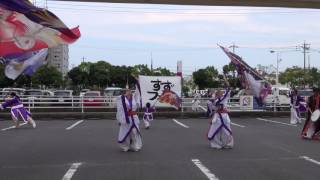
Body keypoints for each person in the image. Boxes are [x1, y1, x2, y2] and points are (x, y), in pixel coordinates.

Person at [207, 76, 234, 149]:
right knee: (215, 129)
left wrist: (226, 80)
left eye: (221, 92)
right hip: (218, 116)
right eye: (218, 92)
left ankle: (228, 144)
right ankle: (217, 144)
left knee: (226, 129)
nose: (221, 93)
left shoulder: (224, 98)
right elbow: (214, 108)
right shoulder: (216, 100)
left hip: (224, 116)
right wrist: (212, 117)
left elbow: (229, 88)